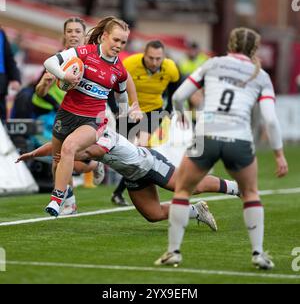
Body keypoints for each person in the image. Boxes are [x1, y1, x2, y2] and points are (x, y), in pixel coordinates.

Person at [155, 27, 289, 270]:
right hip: (239, 140)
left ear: (231, 44)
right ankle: (258, 254)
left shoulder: (213, 64)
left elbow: (180, 95)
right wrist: (279, 154)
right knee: (250, 194)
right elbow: (270, 119)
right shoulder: (261, 76)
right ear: (254, 49)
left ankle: (173, 252)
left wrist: (180, 115)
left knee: (183, 191)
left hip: (206, 135)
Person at [16, 127, 240, 226]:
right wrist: (35, 153)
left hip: (150, 164)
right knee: (152, 215)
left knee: (192, 186)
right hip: (133, 175)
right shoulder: (86, 137)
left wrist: (65, 154)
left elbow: (74, 151)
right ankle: (196, 211)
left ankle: (235, 187)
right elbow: (66, 147)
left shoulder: (105, 137)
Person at [43, 16, 131, 217]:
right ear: (105, 36)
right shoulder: (84, 53)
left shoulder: (120, 70)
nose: (118, 45)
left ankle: (56, 199)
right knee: (57, 161)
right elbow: (49, 62)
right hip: (66, 114)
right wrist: (64, 76)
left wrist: (125, 116)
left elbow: (123, 94)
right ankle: (70, 202)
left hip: (94, 120)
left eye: (123, 42)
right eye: (116, 40)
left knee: (69, 148)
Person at [110, 40, 180, 206]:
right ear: (144, 54)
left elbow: (174, 88)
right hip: (129, 111)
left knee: (141, 152)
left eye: (158, 58)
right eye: (151, 58)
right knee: (122, 153)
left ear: (164, 57)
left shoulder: (170, 67)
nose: (155, 62)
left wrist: (169, 109)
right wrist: (115, 110)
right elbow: (111, 85)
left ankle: (120, 193)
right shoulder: (130, 64)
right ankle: (117, 190)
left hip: (153, 112)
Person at [0, 27, 21, 123]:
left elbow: (9, 58)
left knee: (2, 120)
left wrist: (15, 78)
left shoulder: (1, 34)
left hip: (1, 85)